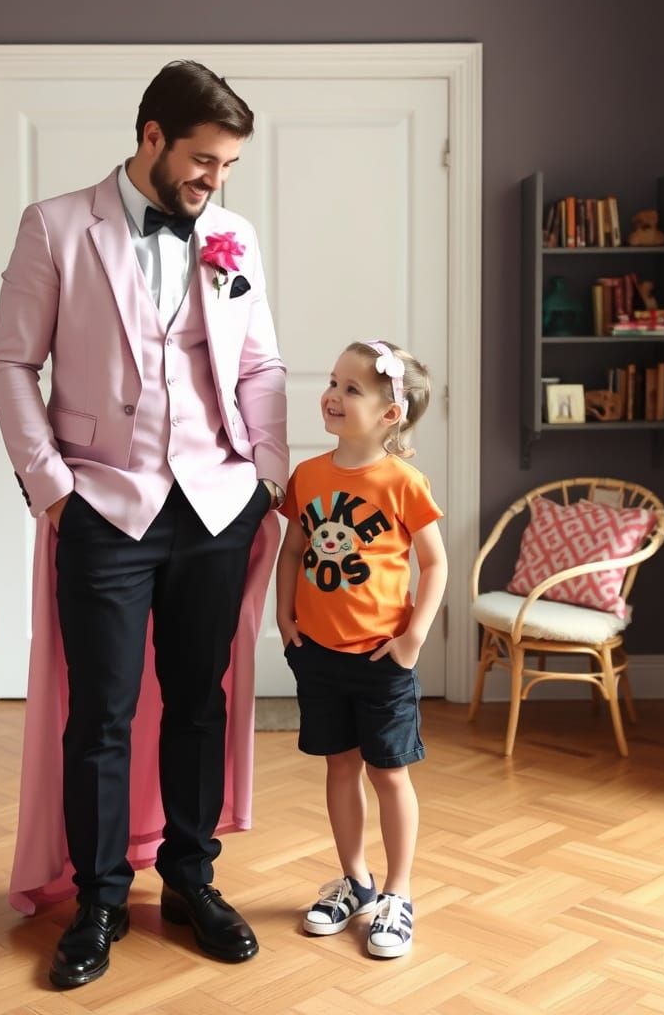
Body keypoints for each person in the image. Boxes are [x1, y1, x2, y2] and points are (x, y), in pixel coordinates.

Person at [0, 60, 287, 988]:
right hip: (105, 506)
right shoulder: (55, 225)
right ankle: (101, 898)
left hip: (215, 506)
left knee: (199, 701)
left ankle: (192, 879)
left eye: (229, 165)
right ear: (151, 136)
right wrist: (51, 487)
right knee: (103, 715)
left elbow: (263, 367)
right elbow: (10, 367)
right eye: (203, 162)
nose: (215, 182)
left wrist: (266, 477)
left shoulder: (232, 234)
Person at [275, 340, 447, 960]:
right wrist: (284, 613)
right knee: (339, 766)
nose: (333, 394)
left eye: (352, 388)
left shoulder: (403, 482)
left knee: (388, 772)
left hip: (382, 660)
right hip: (319, 654)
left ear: (389, 414)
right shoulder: (309, 476)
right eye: (333, 382)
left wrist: (412, 639)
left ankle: (398, 894)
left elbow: (435, 563)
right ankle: (355, 882)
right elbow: (293, 550)